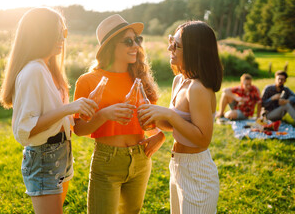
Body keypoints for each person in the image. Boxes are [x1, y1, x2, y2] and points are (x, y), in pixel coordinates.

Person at [0, 7, 98, 214]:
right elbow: (25, 130)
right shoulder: (34, 70)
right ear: (40, 34)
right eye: (56, 32)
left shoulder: (47, 67)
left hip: (61, 151)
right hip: (44, 156)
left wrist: (75, 112)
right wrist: (68, 108)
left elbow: (54, 113)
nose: (62, 37)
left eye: (64, 32)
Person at [73, 14, 166, 214]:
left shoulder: (141, 78)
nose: (136, 46)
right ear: (110, 46)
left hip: (141, 160)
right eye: (128, 41)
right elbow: (79, 129)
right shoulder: (88, 81)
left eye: (137, 40)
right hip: (107, 162)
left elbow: (149, 121)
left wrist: (159, 135)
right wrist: (104, 114)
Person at [138, 21, 222, 213]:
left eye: (176, 44)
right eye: (170, 41)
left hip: (196, 172)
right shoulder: (180, 80)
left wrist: (167, 113)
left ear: (194, 50)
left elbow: (203, 139)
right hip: (178, 166)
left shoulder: (198, 88)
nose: (170, 48)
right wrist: (152, 116)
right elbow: (174, 124)